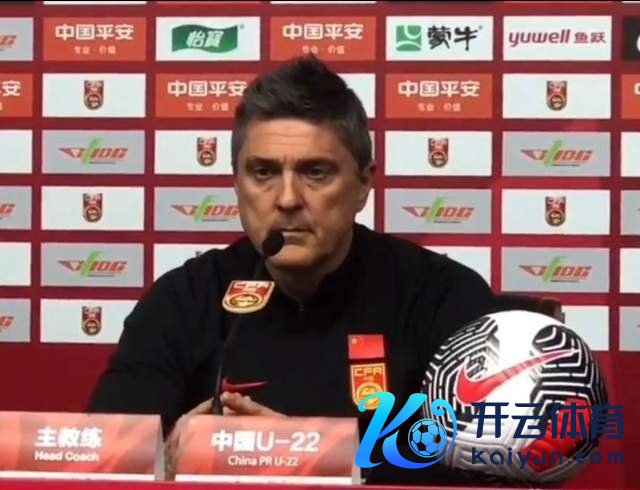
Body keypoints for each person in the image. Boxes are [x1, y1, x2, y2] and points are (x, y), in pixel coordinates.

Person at [87, 54, 496, 484]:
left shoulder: (440, 297)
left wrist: (312, 457)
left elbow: (487, 465)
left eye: (315, 172)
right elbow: (105, 457)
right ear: (236, 183)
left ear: (363, 184)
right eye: (263, 172)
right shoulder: (185, 299)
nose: (286, 199)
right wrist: (165, 458)